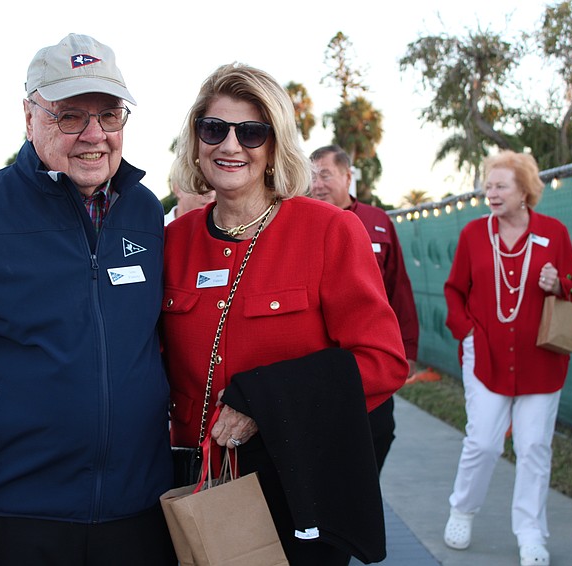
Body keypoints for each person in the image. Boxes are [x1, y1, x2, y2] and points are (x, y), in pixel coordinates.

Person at [0, 33, 175, 566]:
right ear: (29, 116)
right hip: (16, 517)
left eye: (110, 115)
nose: (94, 135)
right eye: (70, 116)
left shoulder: (145, 212)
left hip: (140, 511)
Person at [161, 62, 409, 565]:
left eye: (252, 132)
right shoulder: (171, 244)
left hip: (299, 486)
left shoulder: (328, 231)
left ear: (275, 146)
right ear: (196, 139)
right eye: (214, 129)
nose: (230, 146)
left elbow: (383, 361)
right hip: (197, 486)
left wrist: (263, 400)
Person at [443, 150, 572, 566]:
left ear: (524, 191)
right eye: (488, 186)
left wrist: (559, 282)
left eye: (501, 186)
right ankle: (462, 510)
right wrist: (466, 333)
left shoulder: (553, 233)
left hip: (541, 362)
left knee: (534, 446)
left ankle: (530, 533)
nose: (491, 193)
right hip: (484, 355)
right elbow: (454, 290)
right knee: (483, 443)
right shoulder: (473, 234)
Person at [309, 144, 419, 473]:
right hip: (320, 358)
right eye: (312, 177)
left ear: (347, 176)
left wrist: (408, 348)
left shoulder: (378, 221)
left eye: (325, 175)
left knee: (378, 434)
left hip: (369, 359)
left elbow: (398, 286)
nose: (317, 185)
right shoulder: (304, 221)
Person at [164, 159, 215, 224]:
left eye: (212, 184)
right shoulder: (156, 229)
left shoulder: (225, 229)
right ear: (177, 189)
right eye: (199, 185)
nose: (210, 193)